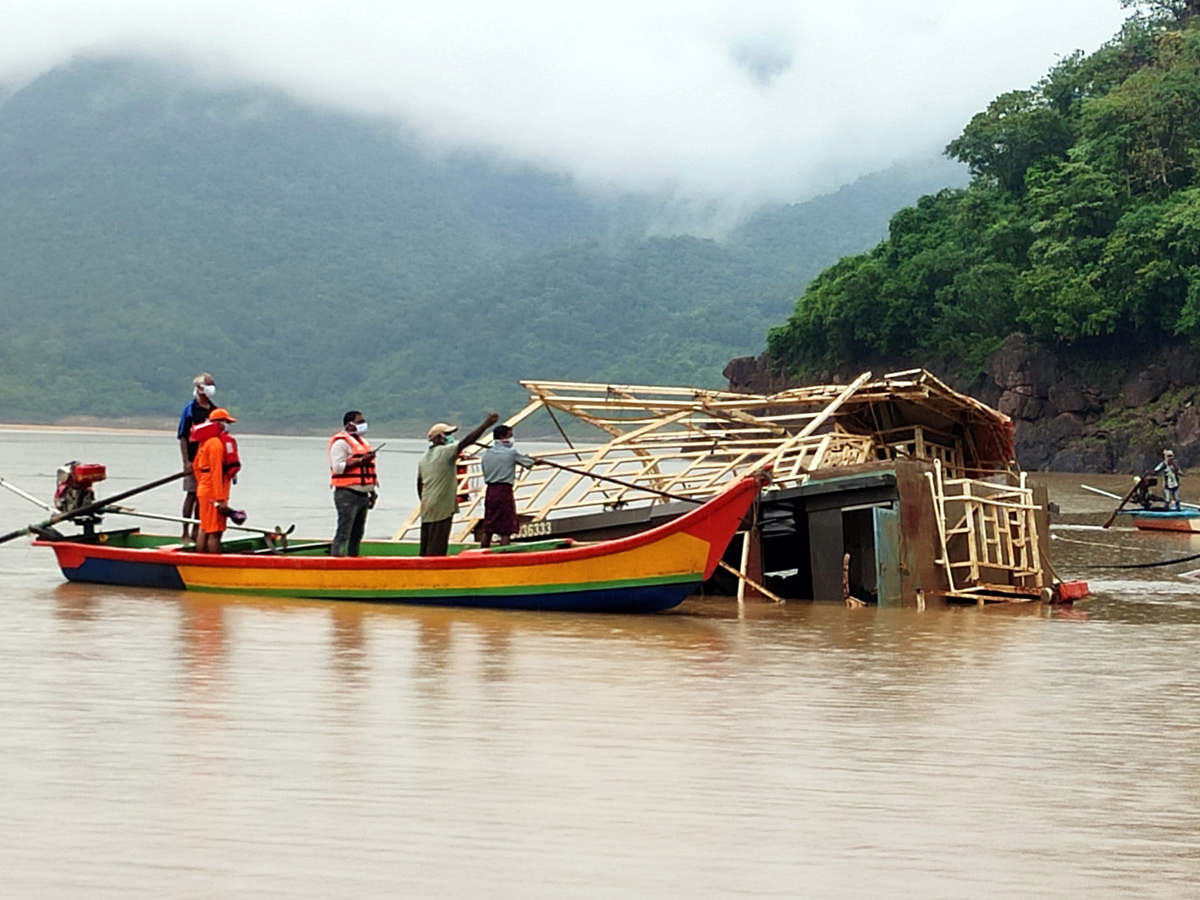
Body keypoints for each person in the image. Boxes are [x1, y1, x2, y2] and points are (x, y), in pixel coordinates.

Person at [417, 412, 499, 556]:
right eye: (447, 434)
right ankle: (434, 574)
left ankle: (423, 571)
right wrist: (486, 425)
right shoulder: (444, 452)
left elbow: (419, 484)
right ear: (439, 438)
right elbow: (467, 441)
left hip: (427, 507)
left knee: (427, 544)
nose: (450, 437)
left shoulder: (424, 458)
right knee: (437, 547)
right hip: (441, 507)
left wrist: (423, 501)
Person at [329, 411, 378, 557]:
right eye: (360, 421)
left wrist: (372, 492)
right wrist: (361, 461)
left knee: (357, 534)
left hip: (363, 495)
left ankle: (353, 559)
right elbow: (337, 467)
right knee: (344, 531)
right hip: (346, 494)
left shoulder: (363, 443)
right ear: (349, 425)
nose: (363, 424)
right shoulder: (340, 443)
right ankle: (337, 561)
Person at [479, 424, 537, 548]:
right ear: (502, 437)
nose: (512, 439)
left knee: (489, 526)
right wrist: (535, 461)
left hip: (490, 491)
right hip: (504, 491)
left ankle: (483, 551)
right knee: (506, 527)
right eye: (510, 435)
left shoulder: (487, 454)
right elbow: (528, 463)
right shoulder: (511, 453)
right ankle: (504, 553)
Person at [193, 408, 238, 554]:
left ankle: (200, 560)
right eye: (226, 422)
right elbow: (217, 472)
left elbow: (196, 467)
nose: (228, 426)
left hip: (204, 490)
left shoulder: (204, 443)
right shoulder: (216, 444)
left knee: (204, 527)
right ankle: (213, 561)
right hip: (214, 492)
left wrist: (202, 483)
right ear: (219, 424)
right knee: (215, 532)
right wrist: (220, 499)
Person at [177, 372, 216, 542]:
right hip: (194, 460)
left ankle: (197, 531)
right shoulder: (190, 410)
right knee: (191, 495)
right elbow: (183, 436)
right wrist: (186, 461)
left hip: (207, 463)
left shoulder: (214, 411)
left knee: (202, 498)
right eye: (209, 384)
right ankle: (185, 530)